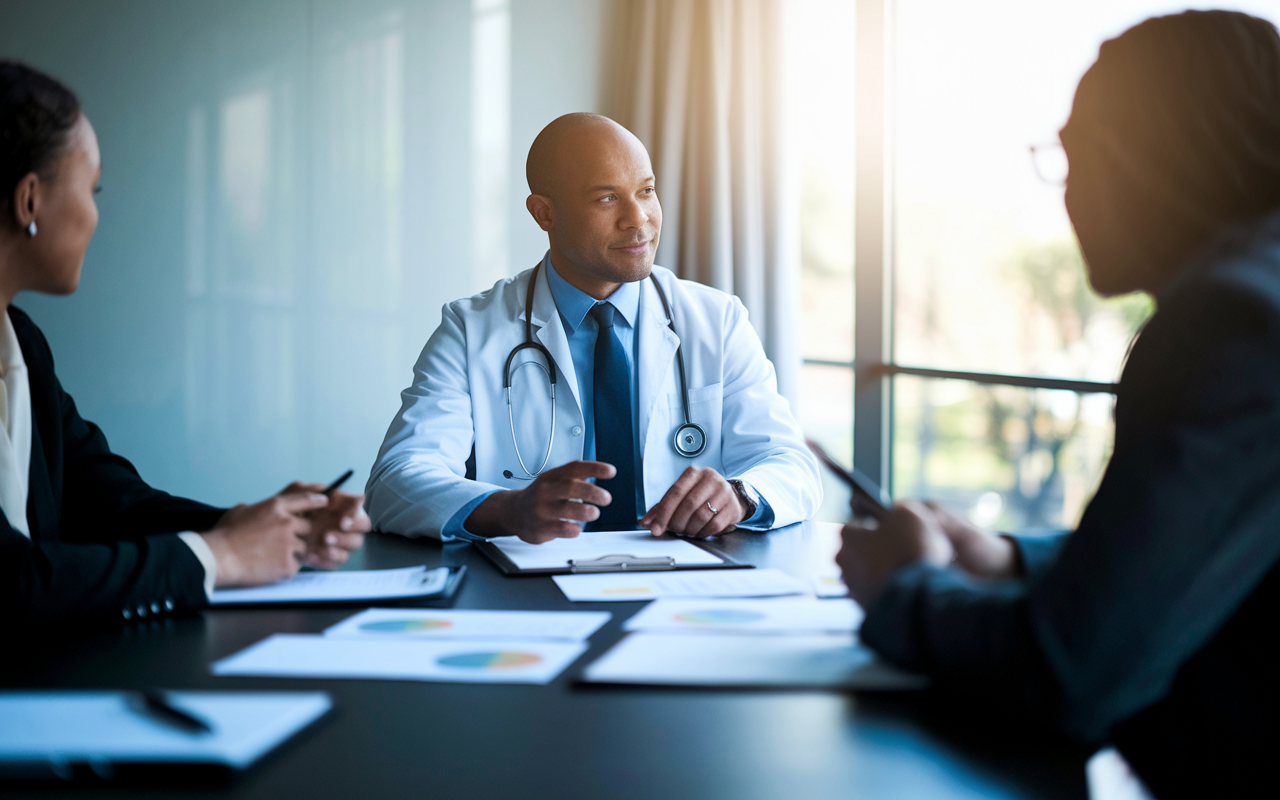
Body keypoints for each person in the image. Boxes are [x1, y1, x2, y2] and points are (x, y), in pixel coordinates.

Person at [836, 10, 1280, 798]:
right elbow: (1202, 547)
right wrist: (1009, 557)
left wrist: (904, 586)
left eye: (1071, 159)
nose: (1069, 194)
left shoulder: (1233, 322)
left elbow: (1067, 674)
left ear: (1131, 160)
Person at [0, 61, 370, 626]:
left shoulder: (21, 344)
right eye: (92, 189)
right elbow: (12, 582)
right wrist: (220, 556)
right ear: (29, 201)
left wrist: (260, 528)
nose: (97, 216)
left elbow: (111, 504)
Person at [367, 113, 820, 543]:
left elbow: (791, 466)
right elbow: (395, 482)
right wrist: (510, 510)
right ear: (544, 213)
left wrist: (740, 496)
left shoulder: (716, 321)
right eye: (607, 198)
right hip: (533, 586)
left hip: (682, 578)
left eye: (646, 191)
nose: (638, 218)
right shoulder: (472, 329)